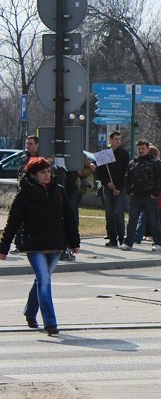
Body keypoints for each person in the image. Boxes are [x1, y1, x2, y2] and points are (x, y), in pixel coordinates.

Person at [0, 157, 80, 336]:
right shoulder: (26, 194)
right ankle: (50, 323)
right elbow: (13, 221)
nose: (47, 174)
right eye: (42, 172)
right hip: (34, 244)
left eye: (48, 171)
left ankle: (30, 311)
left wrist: (74, 242)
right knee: (44, 281)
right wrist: (3, 247)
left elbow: (69, 217)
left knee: (40, 281)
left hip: (56, 244)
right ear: (33, 175)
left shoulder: (58, 191)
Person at [121, 139, 161, 252]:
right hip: (136, 196)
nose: (140, 151)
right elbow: (127, 178)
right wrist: (129, 191)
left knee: (153, 220)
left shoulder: (156, 162)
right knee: (132, 220)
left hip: (150, 197)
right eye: (139, 149)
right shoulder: (133, 163)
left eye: (143, 148)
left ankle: (158, 243)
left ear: (148, 149)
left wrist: (155, 193)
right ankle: (128, 242)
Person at [96, 130, 131, 247]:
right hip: (108, 187)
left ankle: (122, 237)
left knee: (118, 211)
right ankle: (112, 238)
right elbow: (100, 172)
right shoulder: (105, 153)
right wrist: (107, 182)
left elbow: (126, 172)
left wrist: (119, 187)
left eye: (119, 139)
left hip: (120, 187)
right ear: (110, 140)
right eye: (116, 139)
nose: (118, 141)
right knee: (109, 212)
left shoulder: (124, 154)